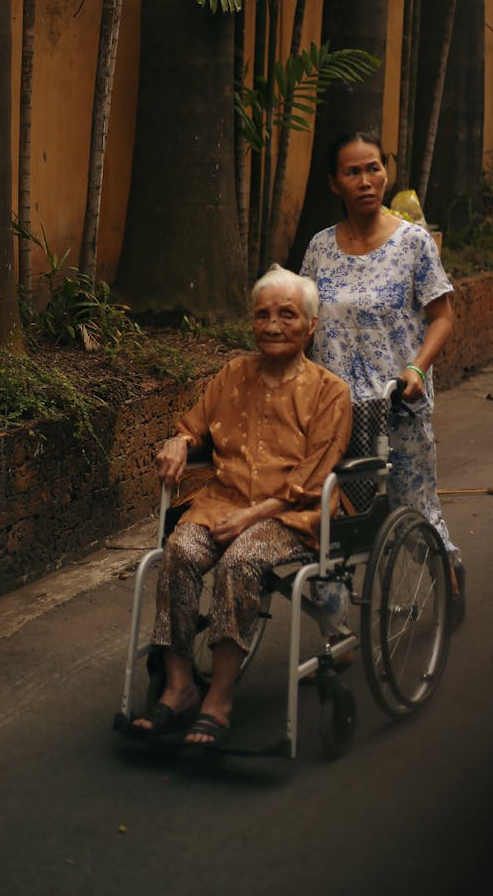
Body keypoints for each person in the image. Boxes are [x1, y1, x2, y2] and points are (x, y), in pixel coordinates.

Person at [132, 264, 352, 748]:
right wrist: (177, 442)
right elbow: (194, 426)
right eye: (263, 315)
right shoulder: (233, 373)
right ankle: (180, 684)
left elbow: (314, 480)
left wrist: (253, 516)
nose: (273, 325)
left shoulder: (329, 392)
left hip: (290, 513)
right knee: (179, 551)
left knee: (241, 561)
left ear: (311, 325)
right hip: (223, 501)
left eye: (287, 315)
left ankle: (221, 699)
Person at [300, 130, 465, 625]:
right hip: (335, 414)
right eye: (352, 172)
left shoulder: (412, 243)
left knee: (413, 509)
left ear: (385, 173)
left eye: (373, 168)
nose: (366, 181)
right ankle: (335, 634)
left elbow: (443, 316)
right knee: (337, 519)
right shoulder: (319, 249)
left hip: (400, 404)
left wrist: (417, 366)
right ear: (335, 183)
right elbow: (304, 325)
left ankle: (448, 573)